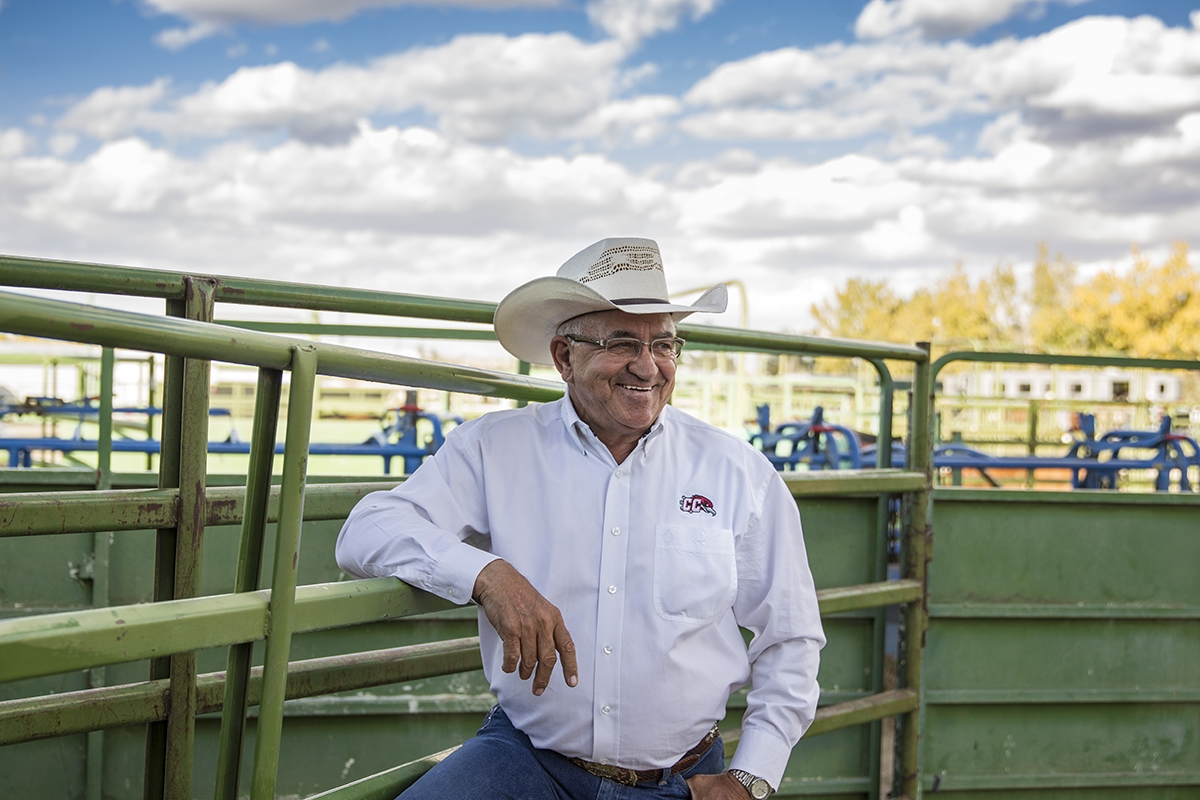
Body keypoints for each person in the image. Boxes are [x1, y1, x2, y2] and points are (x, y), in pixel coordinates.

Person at [336, 237, 825, 800]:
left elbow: (791, 636)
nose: (648, 366)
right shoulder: (496, 448)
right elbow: (368, 527)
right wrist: (487, 576)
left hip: (685, 780)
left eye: (664, 344)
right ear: (564, 358)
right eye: (621, 342)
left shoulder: (738, 472)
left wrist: (752, 777)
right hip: (528, 761)